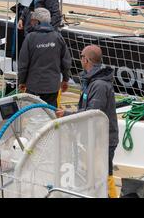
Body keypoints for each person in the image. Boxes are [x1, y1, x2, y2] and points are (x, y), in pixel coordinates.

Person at [56, 45, 119, 198]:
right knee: (94, 173)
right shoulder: (92, 81)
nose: (80, 59)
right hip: (94, 137)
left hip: (103, 139)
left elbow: (92, 113)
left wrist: (67, 114)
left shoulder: (98, 85)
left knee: (104, 174)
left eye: (81, 56)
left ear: (87, 60)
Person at [18, 8, 71, 107]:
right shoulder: (58, 37)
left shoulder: (30, 38)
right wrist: (65, 79)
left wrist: (22, 81)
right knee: (50, 115)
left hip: (33, 86)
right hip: (52, 87)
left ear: (37, 22)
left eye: (32, 21)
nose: (31, 23)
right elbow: (66, 62)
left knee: (32, 115)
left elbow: (23, 64)